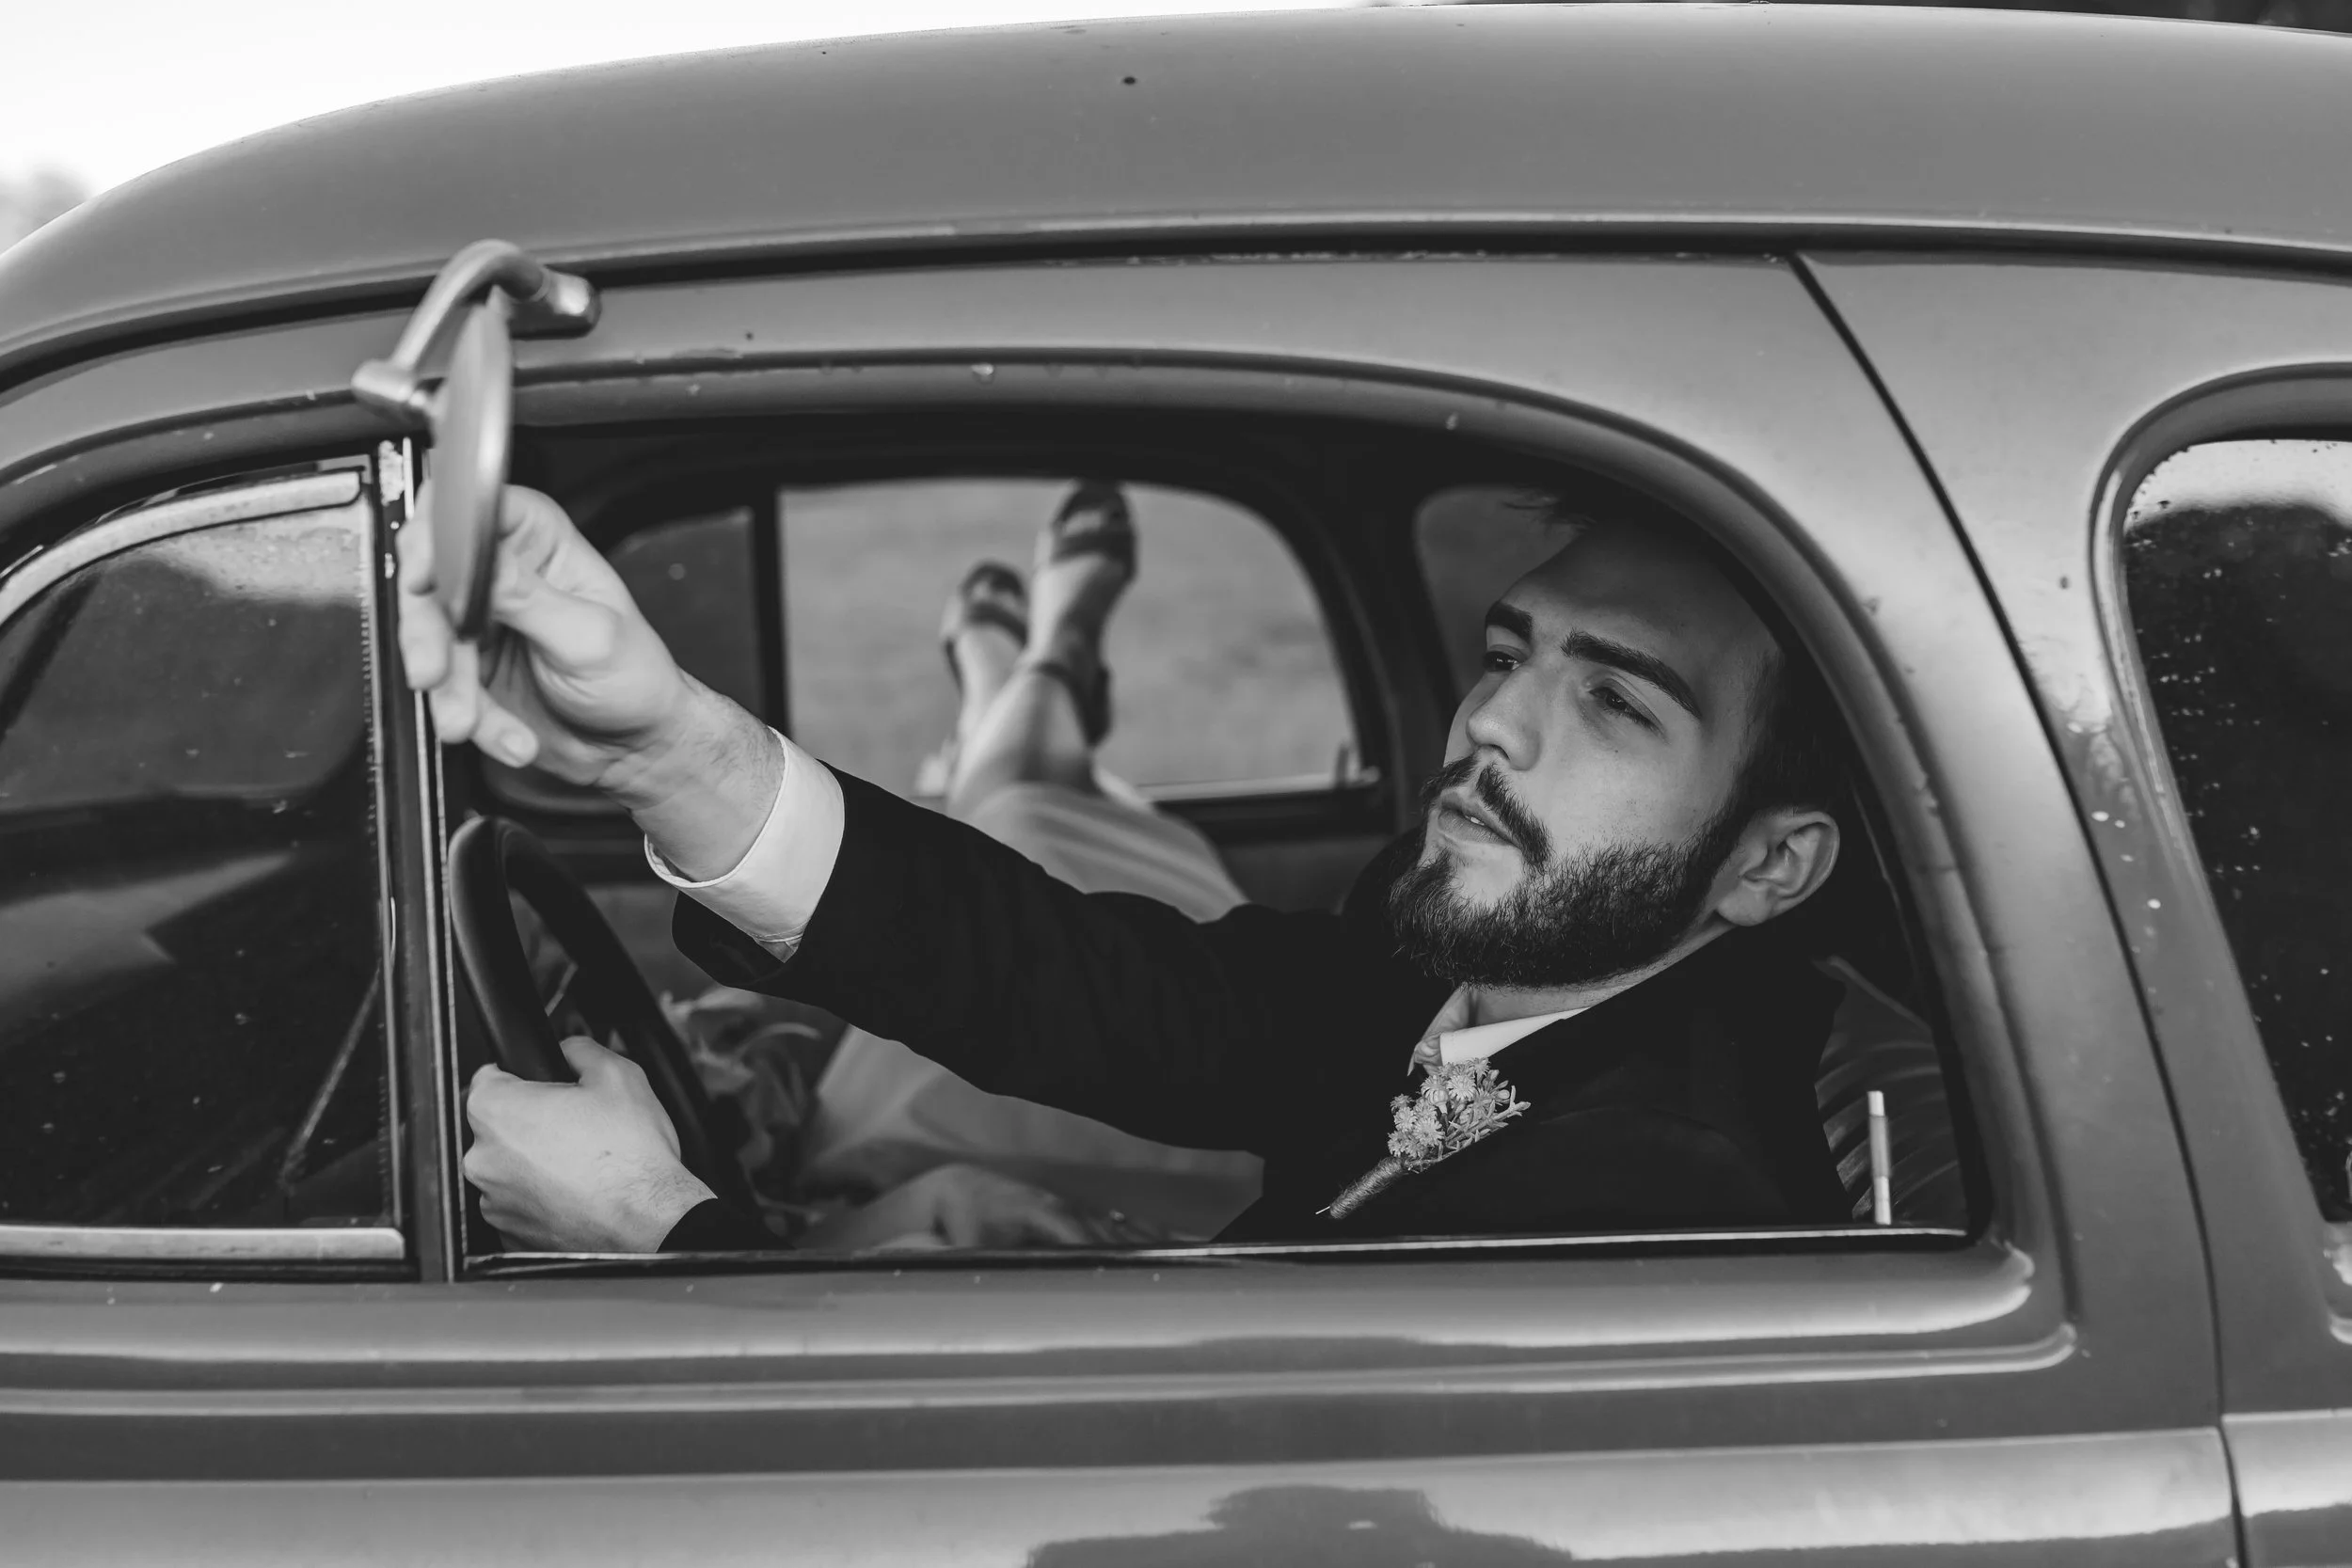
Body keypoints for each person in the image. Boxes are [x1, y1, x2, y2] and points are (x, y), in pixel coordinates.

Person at [422, 479, 1851, 1253]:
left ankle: (1025, 687)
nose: (1492, 722)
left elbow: (1222, 1482)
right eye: (1507, 653)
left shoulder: (1642, 1200)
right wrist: (670, 750)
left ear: (1769, 866)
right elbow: (1104, 988)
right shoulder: (1480, 953)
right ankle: (1028, 689)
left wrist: (657, 1230)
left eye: (1616, 702)